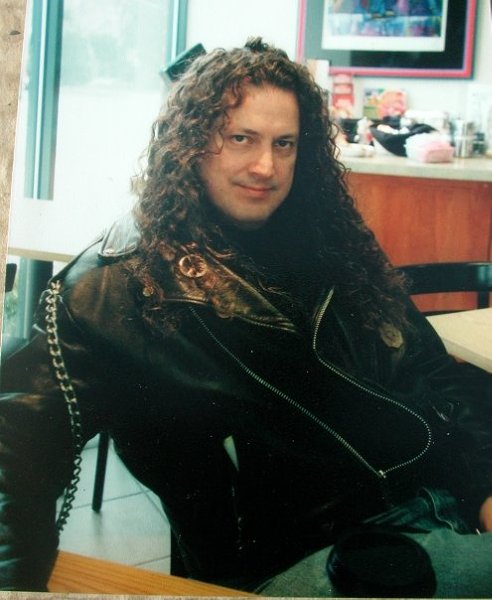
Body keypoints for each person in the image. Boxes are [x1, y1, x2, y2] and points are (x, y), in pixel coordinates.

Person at [0, 38, 491, 595]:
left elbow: (432, 370)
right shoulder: (112, 289)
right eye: (241, 138)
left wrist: (484, 487)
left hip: (439, 504)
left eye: (285, 144)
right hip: (305, 558)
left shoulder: (332, 238)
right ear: (191, 143)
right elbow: (14, 452)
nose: (266, 167)